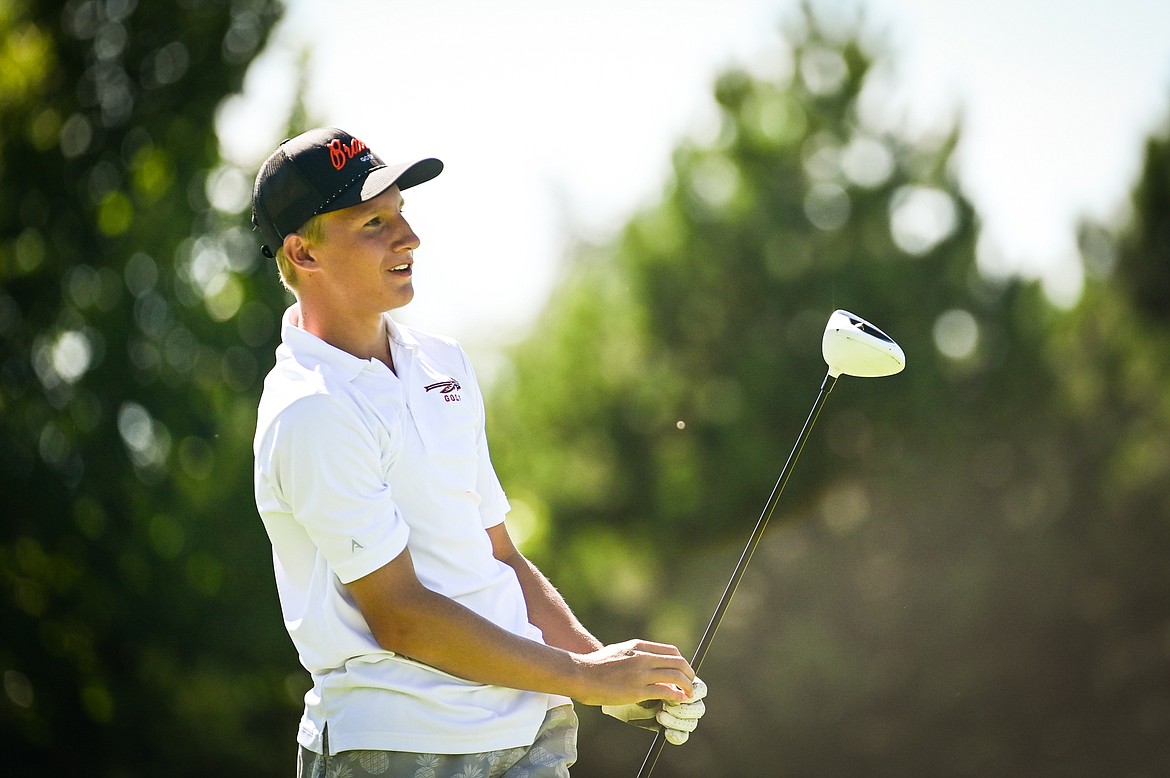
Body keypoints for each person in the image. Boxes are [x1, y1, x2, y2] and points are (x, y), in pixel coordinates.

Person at [250, 127, 707, 777]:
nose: (408, 238)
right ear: (303, 252)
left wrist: (607, 673)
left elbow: (497, 554)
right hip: (399, 752)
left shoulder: (444, 361)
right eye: (373, 222)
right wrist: (586, 676)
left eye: (402, 213)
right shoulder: (311, 410)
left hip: (530, 733)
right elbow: (401, 618)